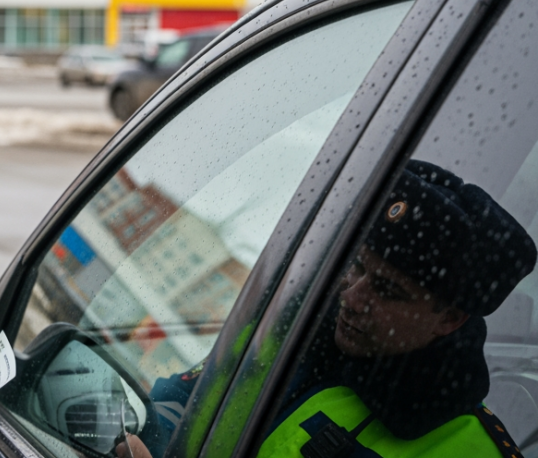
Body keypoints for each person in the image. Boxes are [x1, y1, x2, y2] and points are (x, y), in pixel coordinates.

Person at [117, 160, 535, 458]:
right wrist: (150, 441)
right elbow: (182, 398)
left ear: (449, 319)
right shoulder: (281, 334)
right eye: (355, 267)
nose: (351, 297)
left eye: (387, 290)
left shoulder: (471, 450)